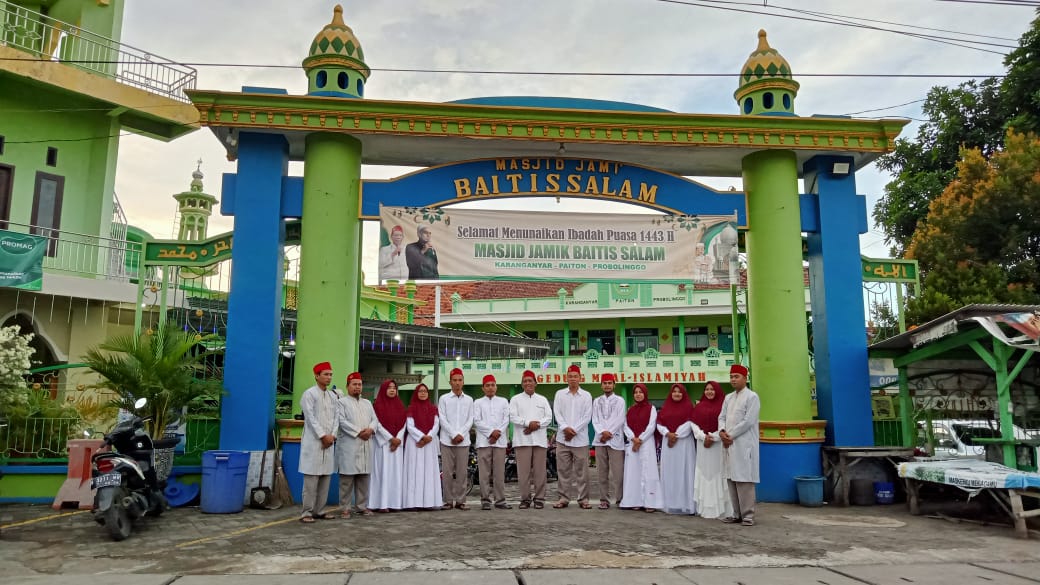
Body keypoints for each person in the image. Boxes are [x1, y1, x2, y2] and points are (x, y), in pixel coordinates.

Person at [719, 364, 761, 526]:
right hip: (729, 444)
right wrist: (722, 431)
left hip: (744, 444)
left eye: (736, 376)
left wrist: (731, 435)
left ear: (745, 378)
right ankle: (736, 513)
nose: (733, 380)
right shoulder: (728, 398)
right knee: (731, 478)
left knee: (744, 479)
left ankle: (748, 515)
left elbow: (748, 421)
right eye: (731, 377)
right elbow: (721, 417)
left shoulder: (752, 397)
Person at [298, 361, 339, 523]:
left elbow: (337, 418)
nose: (329, 377)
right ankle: (306, 512)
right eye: (326, 374)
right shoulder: (309, 394)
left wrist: (332, 436)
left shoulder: (332, 396)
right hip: (314, 443)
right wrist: (323, 436)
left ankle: (320, 510)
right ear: (316, 376)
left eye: (330, 374)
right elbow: (310, 418)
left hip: (329, 443)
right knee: (311, 481)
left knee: (325, 479)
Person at [509, 370, 553, 509]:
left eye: (530, 380)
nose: (528, 383)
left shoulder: (542, 399)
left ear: (535, 383)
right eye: (525, 381)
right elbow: (513, 417)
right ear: (522, 384)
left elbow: (548, 417)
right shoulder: (515, 399)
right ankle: (525, 499)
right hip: (522, 440)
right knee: (523, 473)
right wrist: (528, 423)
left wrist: (536, 425)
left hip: (539, 440)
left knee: (540, 472)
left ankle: (539, 498)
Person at [552, 364, 593, 509]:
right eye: (570, 376)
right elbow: (557, 414)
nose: (573, 379)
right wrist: (565, 428)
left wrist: (573, 430)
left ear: (580, 378)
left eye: (575, 376)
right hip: (563, 440)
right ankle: (563, 498)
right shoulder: (559, 394)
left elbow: (587, 417)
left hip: (580, 440)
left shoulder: (587, 395)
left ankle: (583, 499)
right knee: (563, 470)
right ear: (566, 378)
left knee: (582, 472)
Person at [335, 371, 376, 518]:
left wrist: (371, 429)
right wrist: (359, 432)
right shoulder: (341, 403)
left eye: (359, 384)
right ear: (347, 386)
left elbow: (374, 419)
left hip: (366, 444)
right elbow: (342, 421)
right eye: (354, 385)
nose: (357, 387)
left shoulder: (367, 403)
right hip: (350, 445)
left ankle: (361, 506)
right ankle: (345, 508)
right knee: (347, 481)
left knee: (364, 479)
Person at [691, 380, 732, 519]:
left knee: (718, 473)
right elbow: (693, 424)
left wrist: (713, 437)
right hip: (703, 447)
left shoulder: (723, 406)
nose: (709, 391)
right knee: (704, 473)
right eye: (707, 389)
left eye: (712, 389)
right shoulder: (699, 407)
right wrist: (703, 437)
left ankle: (721, 510)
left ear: (717, 391)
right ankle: (704, 509)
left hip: (717, 446)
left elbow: (726, 425)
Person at [619, 383, 663, 512]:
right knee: (633, 472)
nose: (638, 394)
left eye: (640, 392)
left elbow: (651, 426)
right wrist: (633, 438)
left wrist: (641, 439)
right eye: (636, 392)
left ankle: (650, 502)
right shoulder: (630, 410)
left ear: (645, 394)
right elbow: (625, 425)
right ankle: (635, 500)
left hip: (646, 444)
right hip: (633, 444)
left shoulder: (651, 408)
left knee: (648, 471)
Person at [656, 383, 698, 515]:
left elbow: (691, 422)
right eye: (674, 391)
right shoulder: (665, 408)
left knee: (684, 472)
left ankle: (686, 504)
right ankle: (670, 503)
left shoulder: (689, 407)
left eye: (679, 392)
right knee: (670, 472)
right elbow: (659, 424)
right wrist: (668, 434)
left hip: (684, 444)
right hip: (669, 445)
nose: (677, 394)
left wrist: (676, 435)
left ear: (684, 394)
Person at [473, 374, 512, 510]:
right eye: (487, 385)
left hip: (499, 442)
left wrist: (497, 433)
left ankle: (500, 500)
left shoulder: (503, 401)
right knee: (484, 473)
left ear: (496, 387)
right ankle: (485, 500)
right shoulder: (477, 402)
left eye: (492, 385)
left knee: (499, 473)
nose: (490, 388)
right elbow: (477, 421)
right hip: (484, 442)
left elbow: (506, 419)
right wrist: (491, 432)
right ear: (483, 388)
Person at [438, 367, 474, 510]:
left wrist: (461, 434)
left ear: (463, 382)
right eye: (454, 380)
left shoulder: (469, 400)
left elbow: (470, 419)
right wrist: (453, 434)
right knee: (447, 472)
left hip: (463, 441)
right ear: (450, 382)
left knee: (462, 472)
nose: (457, 383)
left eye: (460, 380)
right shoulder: (444, 399)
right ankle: (447, 500)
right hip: (447, 441)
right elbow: (442, 418)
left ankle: (460, 500)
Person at [403, 383, 442, 510]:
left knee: (428, 472)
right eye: (420, 391)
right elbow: (410, 426)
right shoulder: (411, 408)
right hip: (414, 444)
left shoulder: (433, 408)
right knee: (414, 471)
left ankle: (428, 502)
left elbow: (436, 425)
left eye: (425, 391)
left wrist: (428, 437)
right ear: (416, 393)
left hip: (429, 444)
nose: (423, 393)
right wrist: (421, 437)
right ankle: (413, 503)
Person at [370, 379, 406, 512]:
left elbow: (404, 424)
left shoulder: (400, 405)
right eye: (389, 387)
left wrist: (398, 439)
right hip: (383, 446)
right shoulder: (377, 406)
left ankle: (395, 503)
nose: (392, 390)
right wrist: (390, 439)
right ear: (383, 390)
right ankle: (380, 504)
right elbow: (377, 424)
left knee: (395, 474)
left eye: (394, 388)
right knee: (382, 473)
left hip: (397, 446)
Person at [591, 373, 626, 509]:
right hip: (600, 440)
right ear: (601, 385)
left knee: (618, 473)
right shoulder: (596, 401)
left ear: (614, 385)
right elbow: (595, 419)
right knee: (602, 472)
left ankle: (620, 499)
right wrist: (602, 432)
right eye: (604, 383)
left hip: (615, 440)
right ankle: (604, 500)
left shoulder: (620, 400)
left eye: (609, 383)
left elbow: (620, 419)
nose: (607, 385)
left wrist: (609, 432)